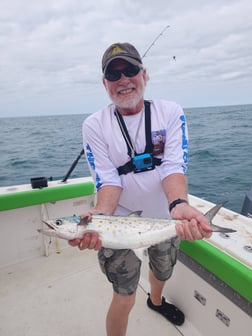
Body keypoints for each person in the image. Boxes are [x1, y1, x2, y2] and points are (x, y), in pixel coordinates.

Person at [69, 42, 212, 336]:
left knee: (162, 271)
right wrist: (99, 218)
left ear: (144, 74)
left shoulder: (170, 112)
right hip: (118, 222)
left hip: (164, 218)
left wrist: (178, 205)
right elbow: (107, 179)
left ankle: (156, 302)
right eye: (114, 74)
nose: (123, 80)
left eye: (130, 70)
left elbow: (173, 165)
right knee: (124, 294)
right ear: (104, 83)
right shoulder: (94, 125)